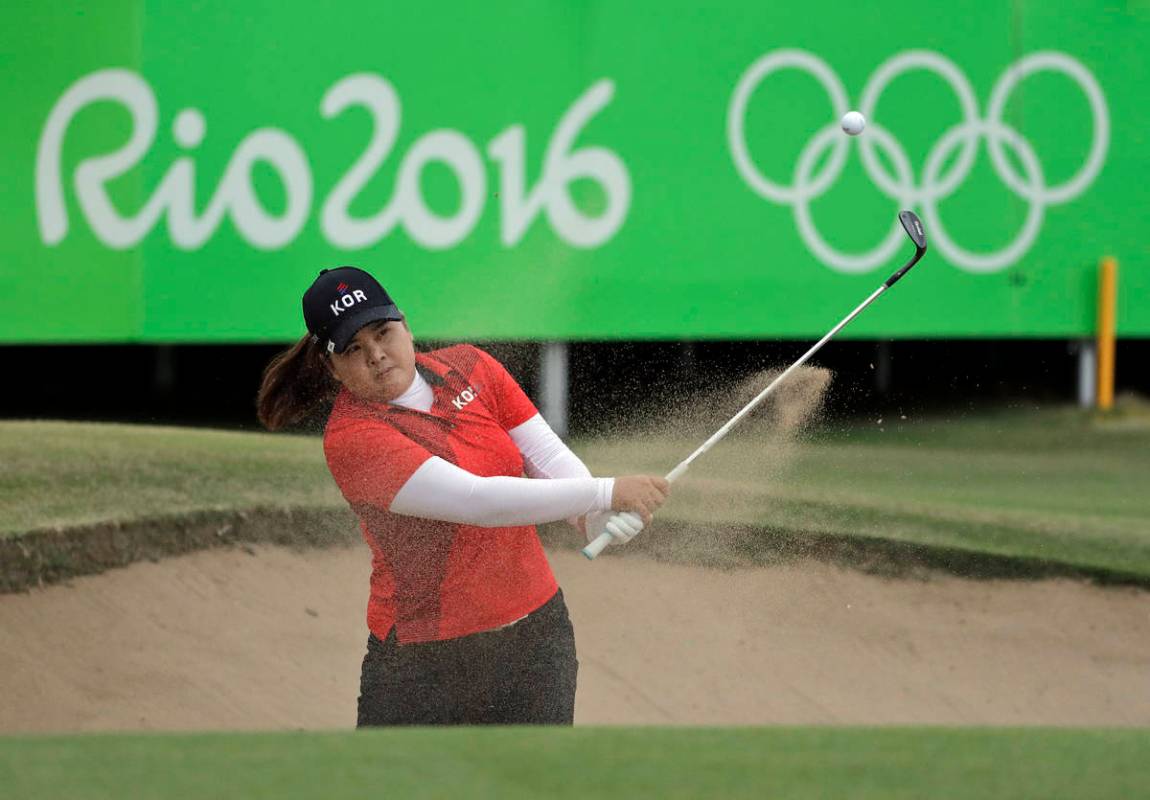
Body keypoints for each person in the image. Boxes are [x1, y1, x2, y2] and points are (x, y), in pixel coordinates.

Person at [256, 266, 669, 726]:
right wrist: (608, 490)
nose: (376, 355)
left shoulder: (472, 366)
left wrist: (595, 516)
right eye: (353, 348)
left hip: (536, 643)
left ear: (406, 326)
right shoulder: (353, 437)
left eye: (383, 332)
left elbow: (546, 455)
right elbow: (478, 502)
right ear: (330, 367)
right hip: (423, 667)